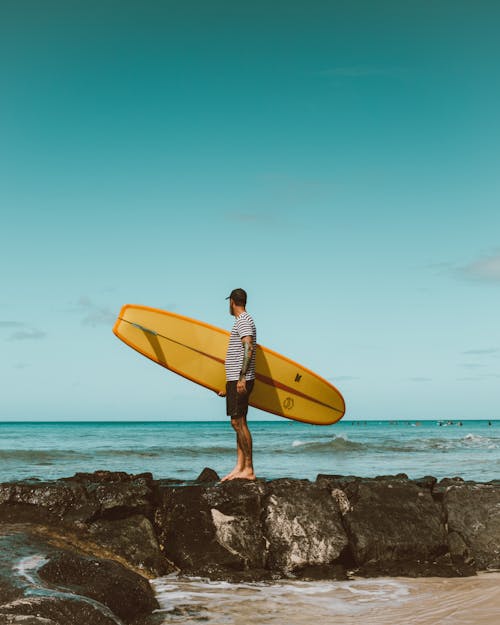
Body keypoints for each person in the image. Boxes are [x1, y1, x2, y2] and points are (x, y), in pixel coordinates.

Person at [218, 288, 257, 481]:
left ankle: (248, 468)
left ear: (232, 301)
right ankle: (239, 467)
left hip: (240, 379)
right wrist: (229, 386)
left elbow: (248, 346)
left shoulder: (243, 320)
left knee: (237, 423)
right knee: (239, 422)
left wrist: (241, 378)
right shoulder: (243, 321)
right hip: (235, 380)